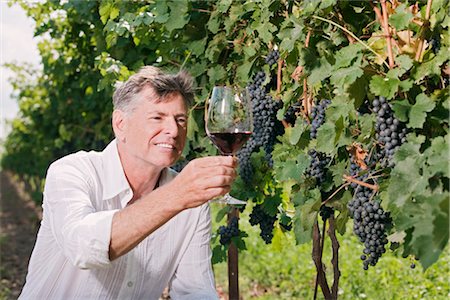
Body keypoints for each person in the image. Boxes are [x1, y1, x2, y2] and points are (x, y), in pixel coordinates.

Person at [19, 66, 237, 299]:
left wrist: (181, 195)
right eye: (157, 117)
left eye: (180, 119)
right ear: (120, 124)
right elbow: (83, 247)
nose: (173, 130)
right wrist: (177, 195)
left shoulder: (192, 204)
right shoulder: (72, 172)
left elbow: (194, 290)